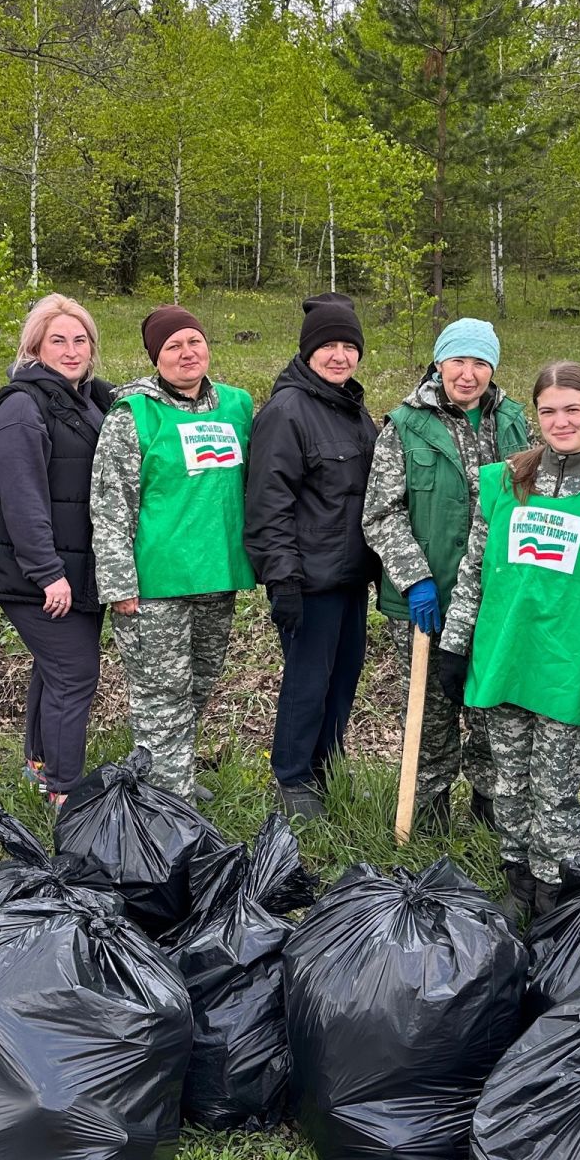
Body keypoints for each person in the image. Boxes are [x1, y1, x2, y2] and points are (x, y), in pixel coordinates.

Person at [435, 361, 580, 921]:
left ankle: (553, 893)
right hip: (503, 658)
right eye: (548, 411)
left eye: (572, 410)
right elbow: (474, 572)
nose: (560, 421)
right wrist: (455, 645)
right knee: (508, 785)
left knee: (554, 794)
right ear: (535, 415)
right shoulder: (506, 481)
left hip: (566, 671)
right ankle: (517, 883)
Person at [361, 317, 530, 832]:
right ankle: (428, 817)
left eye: (480, 362)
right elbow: (381, 511)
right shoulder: (405, 425)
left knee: (488, 707)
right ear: (439, 363)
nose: (468, 373)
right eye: (458, 360)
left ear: (493, 368)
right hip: (424, 598)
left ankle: (488, 812)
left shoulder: (514, 422)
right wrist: (415, 578)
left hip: (495, 598)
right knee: (432, 714)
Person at [90, 304, 257, 802]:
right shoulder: (134, 414)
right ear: (155, 358)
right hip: (154, 585)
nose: (187, 353)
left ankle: (167, 777)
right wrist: (119, 583)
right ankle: (170, 805)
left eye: (194, 341)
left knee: (198, 687)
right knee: (161, 697)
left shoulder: (238, 406)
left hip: (217, 575)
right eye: (172, 347)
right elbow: (110, 501)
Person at [0, 293, 114, 807]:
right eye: (58, 339)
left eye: (81, 340)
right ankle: (65, 793)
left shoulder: (91, 398)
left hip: (78, 564)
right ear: (35, 346)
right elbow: (22, 494)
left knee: (54, 669)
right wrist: (47, 571)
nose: (72, 349)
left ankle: (39, 766)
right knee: (74, 673)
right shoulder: (21, 406)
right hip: (37, 571)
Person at [244, 294, 380, 819]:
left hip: (349, 574)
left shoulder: (351, 408)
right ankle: (293, 775)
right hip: (308, 577)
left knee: (343, 676)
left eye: (349, 346)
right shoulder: (287, 412)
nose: (340, 356)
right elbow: (269, 503)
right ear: (308, 351)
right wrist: (283, 580)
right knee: (307, 680)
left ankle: (328, 764)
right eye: (329, 345)